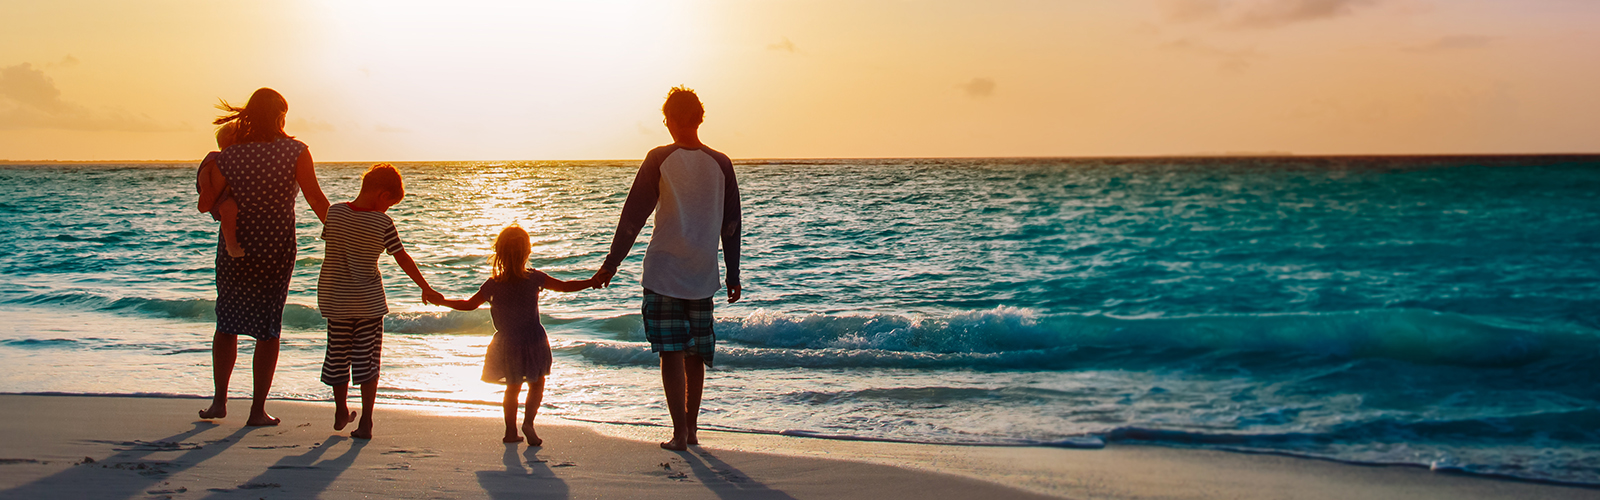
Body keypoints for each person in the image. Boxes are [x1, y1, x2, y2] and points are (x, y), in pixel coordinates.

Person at [593, 86, 743, 451]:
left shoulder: (659, 158)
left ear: (671, 120)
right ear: (699, 118)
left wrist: (611, 264)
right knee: (695, 357)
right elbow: (732, 224)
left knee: (671, 353)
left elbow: (633, 216)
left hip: (663, 273)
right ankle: (691, 430)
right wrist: (733, 274)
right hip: (703, 275)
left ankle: (679, 434)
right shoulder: (721, 162)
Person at [200, 88, 331, 426]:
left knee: (226, 322)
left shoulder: (228, 156)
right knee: (268, 327)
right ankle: (257, 410)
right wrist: (342, 233)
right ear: (278, 117)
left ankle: (219, 402)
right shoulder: (296, 151)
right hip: (275, 248)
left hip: (235, 249)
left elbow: (210, 201)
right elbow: (316, 199)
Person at [432, 225, 598, 445]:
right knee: (536, 384)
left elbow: (468, 305)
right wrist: (591, 282)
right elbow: (565, 286)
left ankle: (510, 432)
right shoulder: (535, 278)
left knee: (512, 387)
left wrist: (442, 301)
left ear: (499, 253)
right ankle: (528, 423)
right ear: (527, 252)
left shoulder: (494, 284)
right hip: (533, 338)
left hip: (508, 341)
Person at [315, 163, 442, 440]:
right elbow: (402, 257)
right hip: (368, 303)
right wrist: (426, 287)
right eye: (390, 204)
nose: (388, 210)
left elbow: (332, 245)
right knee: (367, 362)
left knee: (338, 357)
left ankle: (340, 411)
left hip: (336, 301)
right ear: (383, 195)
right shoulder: (382, 223)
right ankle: (366, 422)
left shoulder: (334, 213)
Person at [196, 121, 244, 257]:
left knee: (231, 211)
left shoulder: (239, 161)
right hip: (219, 198)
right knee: (228, 209)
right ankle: (231, 245)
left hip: (228, 196)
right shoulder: (216, 158)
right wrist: (206, 189)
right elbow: (204, 173)